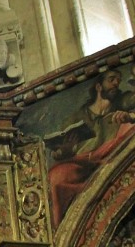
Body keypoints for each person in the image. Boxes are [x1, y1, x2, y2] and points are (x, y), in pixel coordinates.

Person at [47, 70, 135, 225]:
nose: (116, 83)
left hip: (113, 152)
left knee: (128, 128)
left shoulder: (123, 101)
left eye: (118, 80)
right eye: (111, 79)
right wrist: (67, 150)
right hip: (83, 163)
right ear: (99, 86)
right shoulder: (77, 117)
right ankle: (59, 230)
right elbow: (60, 153)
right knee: (56, 177)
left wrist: (129, 116)